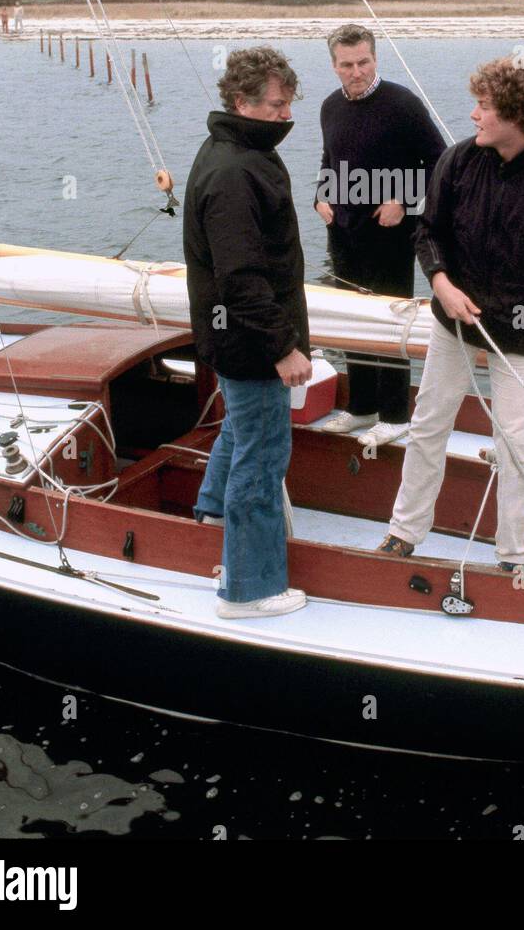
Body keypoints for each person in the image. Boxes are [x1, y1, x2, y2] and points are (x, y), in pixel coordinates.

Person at [378, 55, 524, 570]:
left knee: (514, 444)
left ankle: (514, 556)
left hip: (523, 336)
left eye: (483, 106)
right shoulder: (457, 162)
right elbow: (428, 231)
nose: (473, 115)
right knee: (428, 424)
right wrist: (440, 283)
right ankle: (404, 531)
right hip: (454, 323)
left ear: (517, 117)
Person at [184, 46, 313, 619]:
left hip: (234, 339)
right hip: (252, 341)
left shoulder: (234, 148)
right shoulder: (236, 172)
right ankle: (250, 589)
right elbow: (240, 278)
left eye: (288, 105)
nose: (287, 116)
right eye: (278, 106)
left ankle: (211, 512)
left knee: (240, 427)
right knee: (262, 457)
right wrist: (283, 347)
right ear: (243, 103)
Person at [314, 24, 447, 449]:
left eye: (364, 62)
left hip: (391, 233)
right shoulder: (329, 107)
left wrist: (404, 202)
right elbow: (328, 159)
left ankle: (394, 415)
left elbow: (440, 162)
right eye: (347, 65)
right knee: (353, 318)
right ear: (334, 66)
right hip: (344, 231)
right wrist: (320, 196)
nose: (357, 72)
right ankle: (362, 408)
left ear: (376, 59)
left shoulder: (402, 104)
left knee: (389, 322)